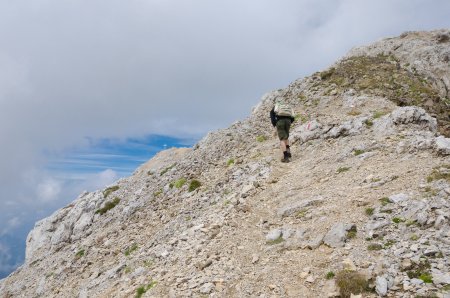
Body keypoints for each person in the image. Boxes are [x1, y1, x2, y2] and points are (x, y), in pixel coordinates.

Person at [270, 98, 295, 162]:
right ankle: (288, 152)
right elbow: (293, 116)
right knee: (286, 136)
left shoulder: (276, 106)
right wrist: (290, 121)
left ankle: (286, 157)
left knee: (282, 139)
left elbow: (272, 115)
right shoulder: (287, 106)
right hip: (288, 121)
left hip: (280, 122)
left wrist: (275, 124)